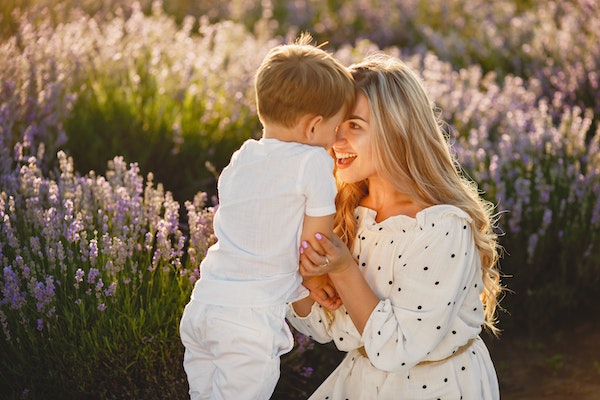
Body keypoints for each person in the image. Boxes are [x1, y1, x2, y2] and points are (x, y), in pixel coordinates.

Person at [287, 53, 504, 399]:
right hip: (362, 383)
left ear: (396, 131)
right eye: (335, 125)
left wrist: (343, 269)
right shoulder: (347, 210)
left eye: (354, 126)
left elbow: (396, 349)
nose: (337, 141)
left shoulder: (441, 228)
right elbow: (326, 329)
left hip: (436, 387)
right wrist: (305, 281)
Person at [178, 33, 355, 400]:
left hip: (203, 306)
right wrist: (316, 278)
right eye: (335, 128)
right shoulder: (313, 162)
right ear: (312, 126)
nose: (336, 139)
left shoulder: (242, 157)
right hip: (247, 320)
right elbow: (314, 245)